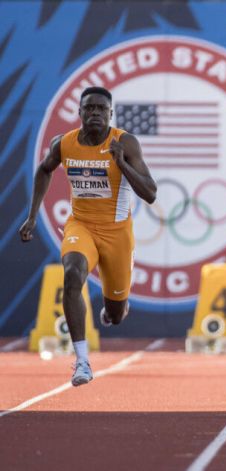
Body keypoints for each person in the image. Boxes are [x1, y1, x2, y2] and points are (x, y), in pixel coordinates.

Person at [19, 86, 157, 387]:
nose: (94, 113)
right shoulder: (64, 144)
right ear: (79, 112)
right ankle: (81, 360)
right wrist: (31, 216)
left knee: (117, 314)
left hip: (117, 233)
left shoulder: (125, 142)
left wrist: (121, 163)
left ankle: (112, 310)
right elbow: (44, 170)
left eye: (101, 109)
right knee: (72, 275)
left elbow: (151, 194)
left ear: (111, 114)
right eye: (89, 108)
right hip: (80, 225)